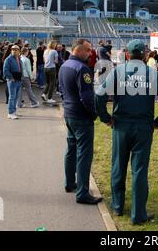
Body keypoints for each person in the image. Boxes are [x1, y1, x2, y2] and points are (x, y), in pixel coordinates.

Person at [95, 40, 158, 225]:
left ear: (127, 55)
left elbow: (99, 95)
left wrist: (106, 118)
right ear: (145, 55)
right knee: (139, 170)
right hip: (143, 127)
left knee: (118, 165)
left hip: (121, 126)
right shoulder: (152, 73)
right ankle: (138, 214)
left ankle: (118, 206)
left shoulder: (118, 71)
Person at [58, 39, 102, 205]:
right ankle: (82, 192)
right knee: (84, 154)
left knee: (71, 149)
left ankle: (70, 183)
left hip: (69, 113)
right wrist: (94, 113)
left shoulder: (65, 65)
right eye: (88, 50)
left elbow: (61, 89)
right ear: (79, 50)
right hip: (81, 116)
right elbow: (87, 97)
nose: (90, 53)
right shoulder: (82, 68)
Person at [3, 45, 23, 120]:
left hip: (18, 80)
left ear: (19, 51)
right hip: (12, 81)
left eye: (16, 49)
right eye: (13, 49)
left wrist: (22, 78)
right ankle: (10, 113)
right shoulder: (8, 59)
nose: (14, 50)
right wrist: (11, 78)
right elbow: (5, 70)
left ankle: (13, 111)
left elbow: (21, 69)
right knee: (12, 97)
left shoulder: (18, 58)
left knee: (16, 97)